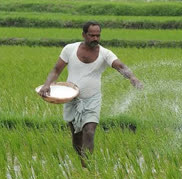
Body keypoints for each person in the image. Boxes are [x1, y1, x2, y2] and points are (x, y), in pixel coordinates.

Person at [38, 21, 143, 167]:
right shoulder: (70, 49)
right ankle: (82, 161)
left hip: (92, 99)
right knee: (76, 136)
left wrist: (132, 77)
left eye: (98, 35)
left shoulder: (105, 54)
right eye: (91, 35)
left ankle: (87, 165)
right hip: (71, 99)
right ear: (84, 35)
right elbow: (56, 70)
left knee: (89, 130)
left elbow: (120, 66)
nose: (95, 38)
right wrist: (47, 84)